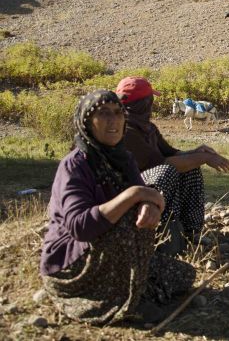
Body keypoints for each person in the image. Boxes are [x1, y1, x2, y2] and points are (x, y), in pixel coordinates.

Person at [40, 90, 195, 325]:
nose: (113, 121)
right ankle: (128, 301)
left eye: (118, 113)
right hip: (72, 262)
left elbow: (150, 195)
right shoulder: (75, 166)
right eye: (103, 114)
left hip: (110, 256)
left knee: (184, 275)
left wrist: (150, 202)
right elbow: (80, 228)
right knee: (128, 216)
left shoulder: (123, 158)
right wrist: (134, 195)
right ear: (87, 122)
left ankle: (130, 286)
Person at [115, 76, 229, 254]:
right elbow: (164, 163)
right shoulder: (126, 132)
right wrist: (202, 158)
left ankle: (190, 232)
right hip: (127, 196)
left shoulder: (148, 128)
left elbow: (170, 153)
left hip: (145, 189)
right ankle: (162, 233)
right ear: (145, 103)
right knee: (166, 171)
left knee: (190, 167)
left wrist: (197, 152)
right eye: (150, 100)